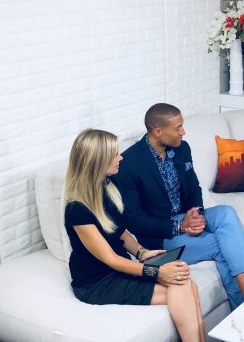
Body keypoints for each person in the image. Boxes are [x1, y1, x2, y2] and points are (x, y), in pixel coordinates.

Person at [64, 129, 205, 342]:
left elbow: (120, 232)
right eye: (114, 154)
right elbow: (110, 259)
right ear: (98, 161)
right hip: (97, 282)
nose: (120, 158)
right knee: (182, 284)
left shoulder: (107, 187)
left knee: (186, 284)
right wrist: (155, 271)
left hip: (120, 268)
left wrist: (142, 253)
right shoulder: (77, 209)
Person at [113, 103, 244, 310]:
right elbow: (135, 220)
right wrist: (180, 226)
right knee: (223, 245)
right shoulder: (129, 164)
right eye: (177, 128)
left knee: (227, 212)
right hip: (160, 235)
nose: (183, 132)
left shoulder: (181, 149)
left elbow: (193, 187)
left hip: (185, 216)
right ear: (158, 131)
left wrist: (195, 213)